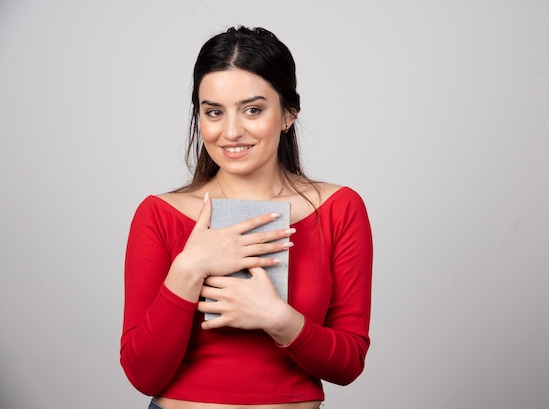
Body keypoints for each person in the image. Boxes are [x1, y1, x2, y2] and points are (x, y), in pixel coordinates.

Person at [120, 26, 373, 409]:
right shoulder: (160, 214)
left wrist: (277, 318)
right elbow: (143, 375)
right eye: (214, 112)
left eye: (252, 109)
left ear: (288, 114)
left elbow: (348, 364)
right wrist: (191, 266)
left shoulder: (338, 209)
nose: (232, 132)